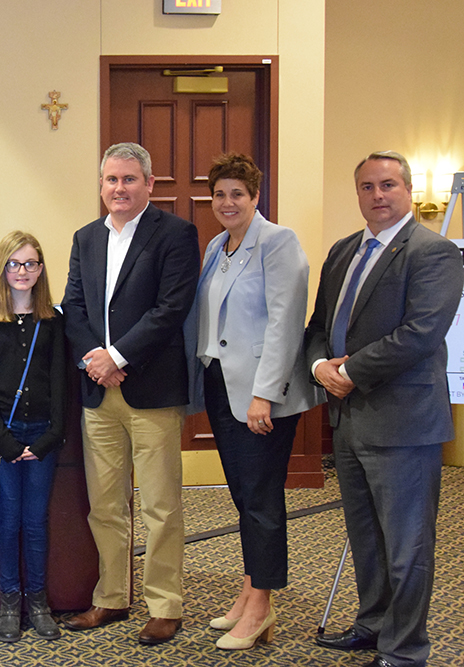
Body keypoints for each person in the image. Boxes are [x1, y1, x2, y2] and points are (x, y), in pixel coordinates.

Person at [306, 151, 463, 667]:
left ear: (408, 189)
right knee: (366, 539)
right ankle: (373, 625)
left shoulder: (434, 252)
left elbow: (420, 334)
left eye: (388, 185)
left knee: (407, 546)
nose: (378, 194)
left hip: (405, 423)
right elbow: (318, 328)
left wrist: (348, 372)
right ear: (357, 193)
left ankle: (406, 648)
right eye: (368, 186)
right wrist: (318, 368)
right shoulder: (343, 250)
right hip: (349, 422)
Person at [61, 142, 199, 644]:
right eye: (111, 181)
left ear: (150, 184)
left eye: (129, 180)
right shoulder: (85, 238)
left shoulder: (177, 234)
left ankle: (165, 604)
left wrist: (117, 357)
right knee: (105, 504)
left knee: (161, 505)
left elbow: (171, 307)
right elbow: (71, 307)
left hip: (153, 391)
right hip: (98, 393)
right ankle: (111, 598)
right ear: (101, 186)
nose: (119, 189)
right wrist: (94, 361)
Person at [188, 153, 321, 650]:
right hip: (222, 385)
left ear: (255, 196)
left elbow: (286, 322)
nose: (226, 203)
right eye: (219, 194)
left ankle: (262, 606)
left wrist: (265, 394)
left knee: (262, 497)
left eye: (236, 194)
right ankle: (249, 590)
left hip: (261, 393)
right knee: (244, 494)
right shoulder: (217, 246)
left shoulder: (278, 242)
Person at [0, 231, 66, 642]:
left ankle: (38, 600)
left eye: (30, 264)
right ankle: (10, 600)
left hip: (43, 435)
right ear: (2, 268)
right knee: (8, 521)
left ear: (41, 270)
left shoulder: (53, 320)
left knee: (36, 520)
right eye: (14, 263)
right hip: (1, 438)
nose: (22, 271)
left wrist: (51, 438)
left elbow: (61, 385)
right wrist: (4, 441)